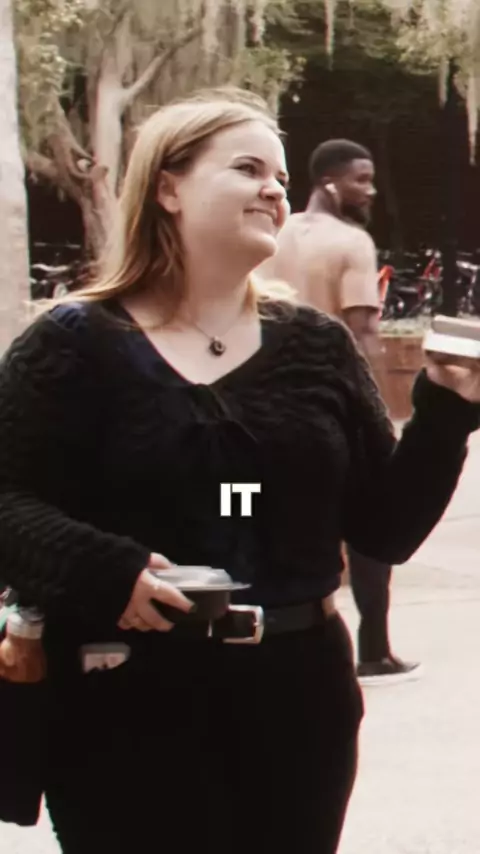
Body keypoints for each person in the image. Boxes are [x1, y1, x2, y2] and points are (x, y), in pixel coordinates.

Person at [0, 90, 479, 854]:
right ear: (167, 188)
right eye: (248, 169)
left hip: (299, 701)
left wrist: (447, 412)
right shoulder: (73, 343)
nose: (274, 190)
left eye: (281, 178)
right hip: (121, 700)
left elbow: (384, 526)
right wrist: (104, 568)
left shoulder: (315, 346)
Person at [269, 138, 422, 684]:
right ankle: (374, 648)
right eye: (362, 179)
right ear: (329, 183)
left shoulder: (274, 232)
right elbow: (363, 331)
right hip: (328, 405)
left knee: (243, 505)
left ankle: (256, 625)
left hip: (258, 401)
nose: (370, 190)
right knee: (366, 522)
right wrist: (378, 417)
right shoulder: (352, 242)